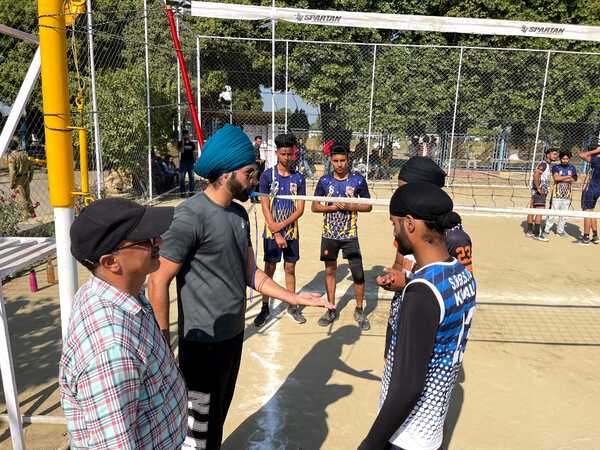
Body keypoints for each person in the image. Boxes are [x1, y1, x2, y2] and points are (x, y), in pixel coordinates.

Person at [147, 124, 333, 450]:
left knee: (216, 421)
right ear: (227, 173)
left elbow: (252, 274)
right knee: (196, 433)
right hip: (201, 345)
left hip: (232, 339)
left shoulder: (238, 215)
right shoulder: (189, 216)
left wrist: (294, 296)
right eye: (250, 171)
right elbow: (158, 280)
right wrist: (164, 346)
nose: (255, 178)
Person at [60, 198, 187, 449]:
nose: (158, 241)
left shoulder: (121, 291)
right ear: (110, 262)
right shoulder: (110, 352)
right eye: (146, 240)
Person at [360, 182, 476, 450]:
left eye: (394, 224)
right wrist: (408, 280)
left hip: (405, 435)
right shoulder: (461, 273)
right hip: (431, 432)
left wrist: (370, 444)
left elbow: (408, 387)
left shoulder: (422, 293)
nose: (394, 232)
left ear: (410, 223)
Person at [380, 157, 473, 293]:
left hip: (428, 305)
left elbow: (463, 288)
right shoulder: (408, 227)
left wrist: (407, 284)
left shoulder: (454, 237)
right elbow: (399, 263)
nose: (399, 194)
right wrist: (392, 278)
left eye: (404, 189)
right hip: (406, 303)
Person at [311, 143, 372, 330]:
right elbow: (314, 206)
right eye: (336, 161)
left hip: (350, 235)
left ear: (348, 160)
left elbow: (368, 205)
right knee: (330, 271)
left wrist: (352, 206)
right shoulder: (324, 181)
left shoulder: (358, 180)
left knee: (358, 274)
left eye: (342, 160)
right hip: (329, 234)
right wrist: (330, 207)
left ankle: (359, 309)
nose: (339, 164)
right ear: (331, 160)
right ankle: (331, 309)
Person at [254, 133, 307, 327]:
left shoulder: (299, 178)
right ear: (277, 153)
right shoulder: (268, 175)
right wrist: (275, 231)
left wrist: (282, 227)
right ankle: (265, 306)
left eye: (289, 154)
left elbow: (300, 209)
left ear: (294, 154)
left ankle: (292, 305)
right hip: (272, 232)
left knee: (290, 268)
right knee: (269, 267)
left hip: (291, 231)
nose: (286, 157)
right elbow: (265, 205)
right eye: (283, 153)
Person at [538, 150, 578, 241]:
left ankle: (560, 230)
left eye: (567, 159)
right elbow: (556, 178)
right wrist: (568, 177)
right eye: (563, 159)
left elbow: (575, 179)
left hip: (567, 195)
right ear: (560, 159)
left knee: (564, 214)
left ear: (569, 159)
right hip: (556, 194)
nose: (565, 160)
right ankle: (546, 229)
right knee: (552, 213)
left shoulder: (572, 167)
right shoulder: (556, 167)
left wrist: (562, 178)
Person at [526, 147, 559, 238]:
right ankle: (536, 233)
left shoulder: (546, 165)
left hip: (537, 190)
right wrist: (538, 188)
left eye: (557, 154)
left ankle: (529, 231)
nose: (556, 156)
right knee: (539, 211)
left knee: (532, 209)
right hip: (540, 191)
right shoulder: (543, 164)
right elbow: (536, 175)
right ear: (548, 154)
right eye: (554, 154)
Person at [7, 137, 36, 218]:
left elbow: (12, 172)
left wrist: (12, 183)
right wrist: (30, 177)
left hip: (18, 179)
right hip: (26, 177)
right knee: (27, 196)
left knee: (21, 199)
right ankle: (32, 214)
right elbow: (31, 167)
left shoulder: (12, 157)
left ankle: (25, 217)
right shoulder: (24, 154)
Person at [578, 142, 600, 245]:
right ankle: (595, 236)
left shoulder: (595, 160)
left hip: (591, 189)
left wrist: (596, 151)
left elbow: (581, 155)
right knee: (591, 211)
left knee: (587, 211)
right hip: (597, 189)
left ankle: (586, 237)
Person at [179, 129, 196, 196]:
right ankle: (182, 193)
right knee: (182, 178)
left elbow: (194, 152)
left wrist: (195, 161)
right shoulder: (180, 142)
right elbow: (181, 151)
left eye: (188, 134)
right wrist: (183, 142)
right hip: (183, 162)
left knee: (192, 178)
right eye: (186, 134)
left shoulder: (191, 143)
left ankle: (191, 192)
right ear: (183, 135)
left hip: (190, 162)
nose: (188, 135)